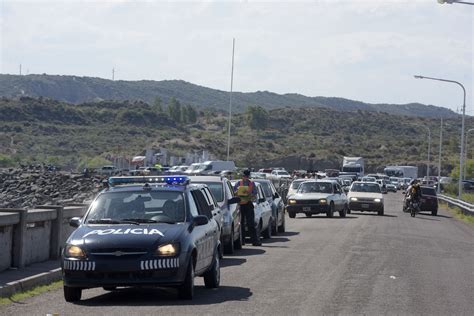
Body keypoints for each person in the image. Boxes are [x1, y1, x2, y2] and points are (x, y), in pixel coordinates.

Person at [234, 170, 261, 246]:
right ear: (242, 176)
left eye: (247, 176)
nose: (245, 177)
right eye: (244, 176)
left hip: (248, 204)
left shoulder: (252, 183)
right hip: (240, 205)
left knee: (251, 223)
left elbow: (255, 193)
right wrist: (238, 192)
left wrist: (250, 195)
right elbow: (234, 193)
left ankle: (254, 241)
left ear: (248, 176)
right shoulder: (238, 183)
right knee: (241, 224)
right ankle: (242, 241)